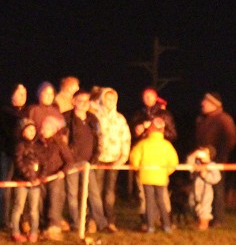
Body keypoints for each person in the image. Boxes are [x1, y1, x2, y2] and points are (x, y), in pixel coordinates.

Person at [64, 90, 107, 233]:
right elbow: (62, 141)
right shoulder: (66, 118)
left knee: (94, 193)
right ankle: (76, 222)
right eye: (80, 100)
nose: (83, 104)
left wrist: (95, 157)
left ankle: (101, 222)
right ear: (74, 101)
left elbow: (99, 139)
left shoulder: (93, 119)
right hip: (71, 162)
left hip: (88, 162)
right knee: (72, 194)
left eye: (86, 101)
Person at [194, 91, 236, 226]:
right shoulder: (201, 119)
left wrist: (218, 156)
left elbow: (231, 139)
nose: (202, 103)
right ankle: (203, 217)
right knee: (201, 189)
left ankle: (218, 219)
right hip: (200, 160)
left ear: (214, 104)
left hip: (217, 161)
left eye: (206, 101)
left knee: (217, 189)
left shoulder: (224, 119)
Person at [129, 117, 179, 233]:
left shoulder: (142, 144)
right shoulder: (167, 145)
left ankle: (150, 226)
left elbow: (134, 158)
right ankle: (167, 225)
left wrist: (137, 168)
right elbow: (173, 162)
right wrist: (166, 172)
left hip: (146, 176)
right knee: (161, 201)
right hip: (161, 177)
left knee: (149, 201)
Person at [93, 88, 130, 232]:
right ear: (102, 100)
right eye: (107, 99)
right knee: (96, 191)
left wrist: (122, 159)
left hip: (114, 161)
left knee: (109, 193)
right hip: (99, 160)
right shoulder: (96, 117)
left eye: (112, 99)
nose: (110, 102)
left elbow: (126, 139)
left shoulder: (120, 119)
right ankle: (94, 220)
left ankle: (110, 221)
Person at [0, 83, 28, 230]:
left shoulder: (25, 112)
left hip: (23, 155)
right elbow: (11, 131)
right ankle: (2, 220)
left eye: (25, 94)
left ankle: (20, 219)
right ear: (12, 95)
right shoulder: (6, 112)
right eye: (20, 93)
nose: (23, 97)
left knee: (22, 186)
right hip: (8, 153)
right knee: (5, 186)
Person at [37, 115, 74, 240]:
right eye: (43, 127)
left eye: (47, 128)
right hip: (41, 177)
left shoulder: (59, 143)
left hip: (55, 177)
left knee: (54, 202)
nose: (44, 130)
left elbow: (69, 161)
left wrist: (62, 172)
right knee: (40, 203)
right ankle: (42, 227)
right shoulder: (37, 143)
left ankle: (54, 228)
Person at [10, 120, 43, 243]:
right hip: (23, 181)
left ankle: (34, 232)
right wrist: (29, 177)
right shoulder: (20, 146)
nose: (32, 132)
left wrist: (40, 177)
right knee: (19, 207)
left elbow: (43, 162)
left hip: (35, 182)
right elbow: (19, 163)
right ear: (22, 131)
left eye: (33, 130)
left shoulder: (38, 145)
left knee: (34, 209)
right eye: (29, 130)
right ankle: (15, 232)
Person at [187, 146, 221, 231]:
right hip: (195, 189)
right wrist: (193, 155)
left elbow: (216, 178)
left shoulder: (212, 165)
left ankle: (204, 225)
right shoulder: (197, 163)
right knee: (192, 205)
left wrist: (205, 175)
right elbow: (188, 165)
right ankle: (198, 222)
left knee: (204, 208)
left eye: (205, 153)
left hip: (206, 190)